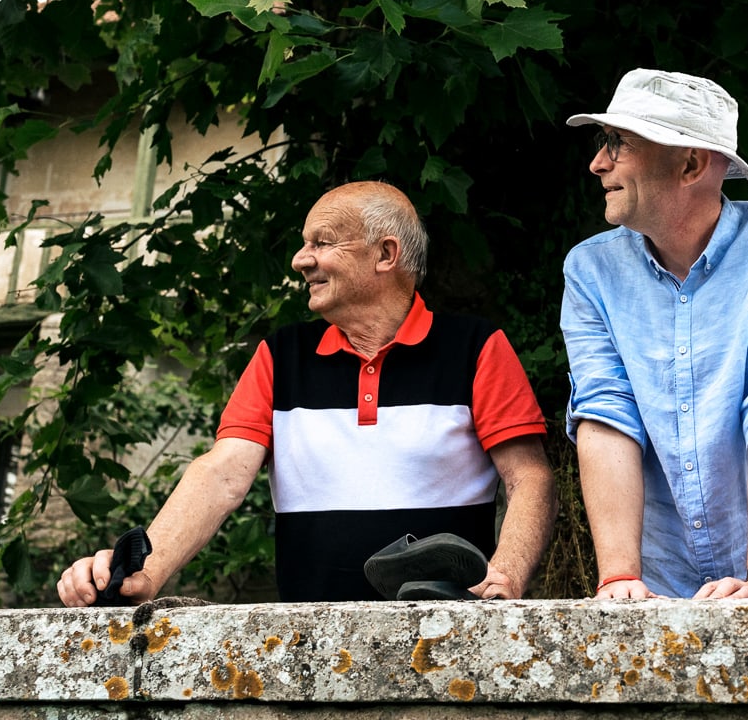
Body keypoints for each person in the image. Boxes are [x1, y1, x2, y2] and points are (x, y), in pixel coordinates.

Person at [58, 181, 558, 605]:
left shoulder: (475, 347)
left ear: (386, 253)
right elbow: (222, 473)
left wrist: (505, 579)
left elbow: (530, 478)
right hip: (309, 645)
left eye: (322, 242)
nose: (301, 260)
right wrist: (148, 570)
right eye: (304, 244)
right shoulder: (281, 355)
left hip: (448, 630)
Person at [560, 68, 748, 599]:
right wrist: (619, 577)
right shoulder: (590, 270)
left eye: (619, 143)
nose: (597, 162)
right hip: (659, 582)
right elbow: (606, 413)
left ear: (690, 163)